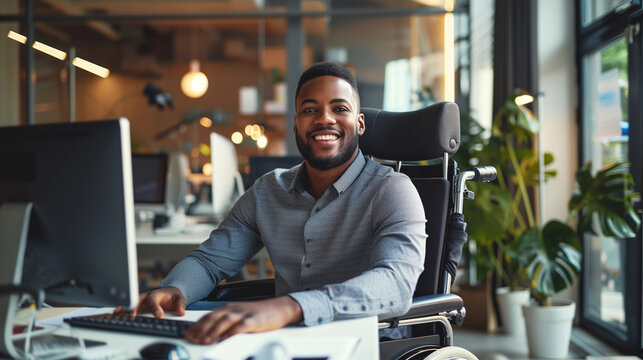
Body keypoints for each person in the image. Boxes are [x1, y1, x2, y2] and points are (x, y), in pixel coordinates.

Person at [123, 62, 427, 345]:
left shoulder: (391, 190)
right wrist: (175, 289)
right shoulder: (269, 191)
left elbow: (396, 283)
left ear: (359, 123)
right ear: (296, 125)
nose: (324, 118)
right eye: (310, 109)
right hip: (285, 342)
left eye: (339, 108)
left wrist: (291, 307)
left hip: (369, 343)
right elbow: (209, 261)